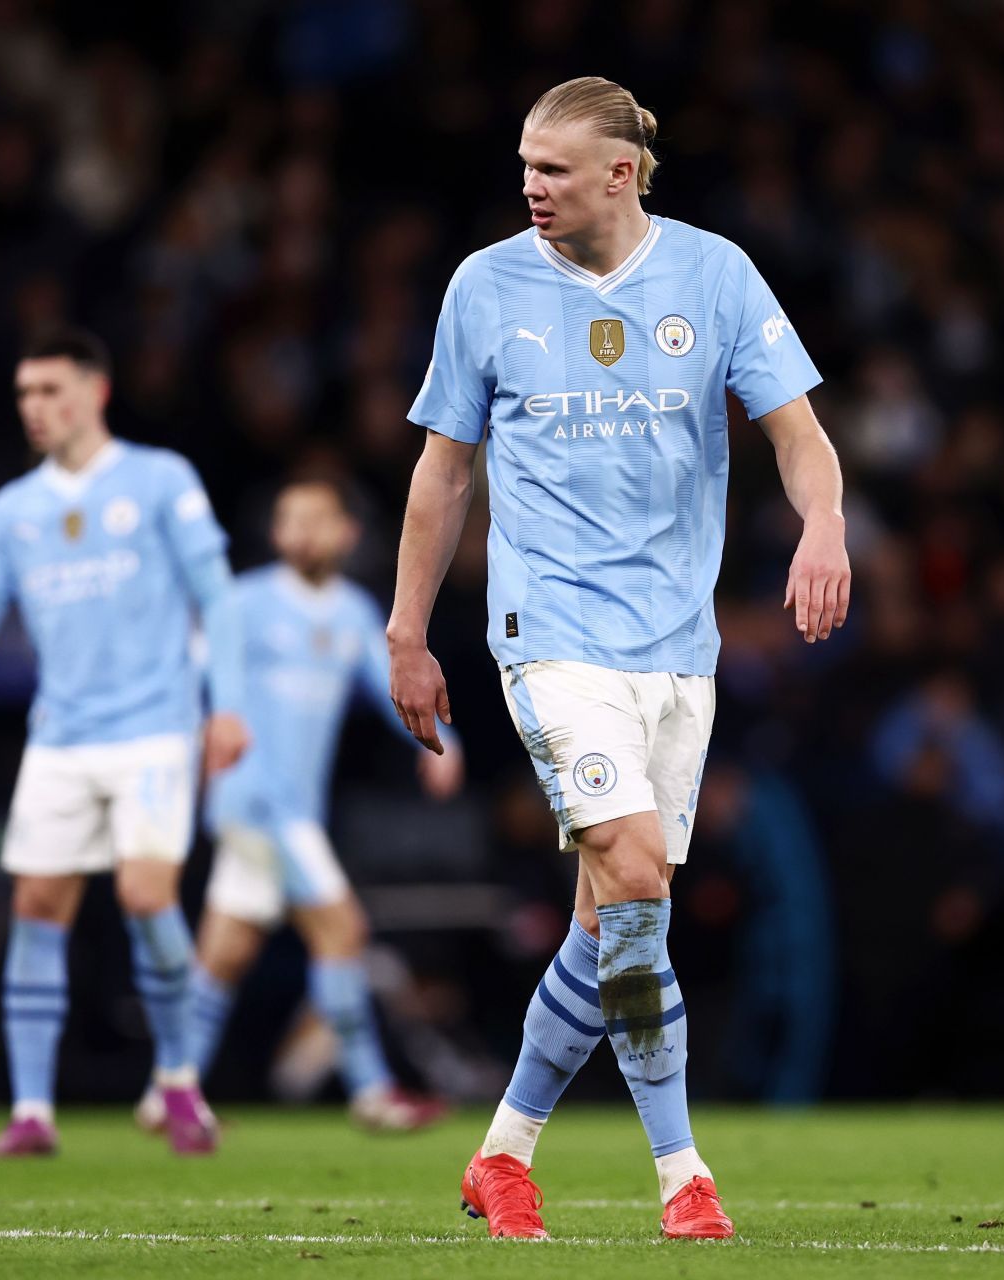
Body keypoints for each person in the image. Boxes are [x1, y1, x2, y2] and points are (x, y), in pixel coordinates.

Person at [387, 77, 851, 1240]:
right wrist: (406, 629)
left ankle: (502, 1154)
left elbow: (799, 434)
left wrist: (826, 525)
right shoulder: (484, 286)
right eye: (525, 165)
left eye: (552, 168)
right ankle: (684, 1177)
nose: (530, 186)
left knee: (609, 923)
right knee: (638, 875)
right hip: (550, 636)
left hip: (676, 649)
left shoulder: (717, 275)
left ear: (620, 174)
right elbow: (444, 473)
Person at [0, 327, 250, 1157]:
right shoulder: (13, 511)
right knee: (34, 908)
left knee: (144, 895)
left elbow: (221, 597)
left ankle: (177, 1083)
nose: (37, 408)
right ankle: (33, 1112)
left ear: (95, 393)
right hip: (60, 738)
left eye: (52, 391)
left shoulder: (159, 479)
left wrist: (228, 707)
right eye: (26, 394)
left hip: (152, 730)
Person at [131, 474, 464, 1134]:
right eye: (289, 519)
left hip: (294, 811)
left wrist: (444, 746)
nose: (301, 531)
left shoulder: (354, 614)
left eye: (316, 518)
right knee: (343, 931)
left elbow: (389, 684)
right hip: (255, 802)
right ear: (276, 533)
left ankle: (166, 1089)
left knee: (224, 954)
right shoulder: (243, 604)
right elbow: (183, 675)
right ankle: (371, 1093)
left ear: (347, 532)